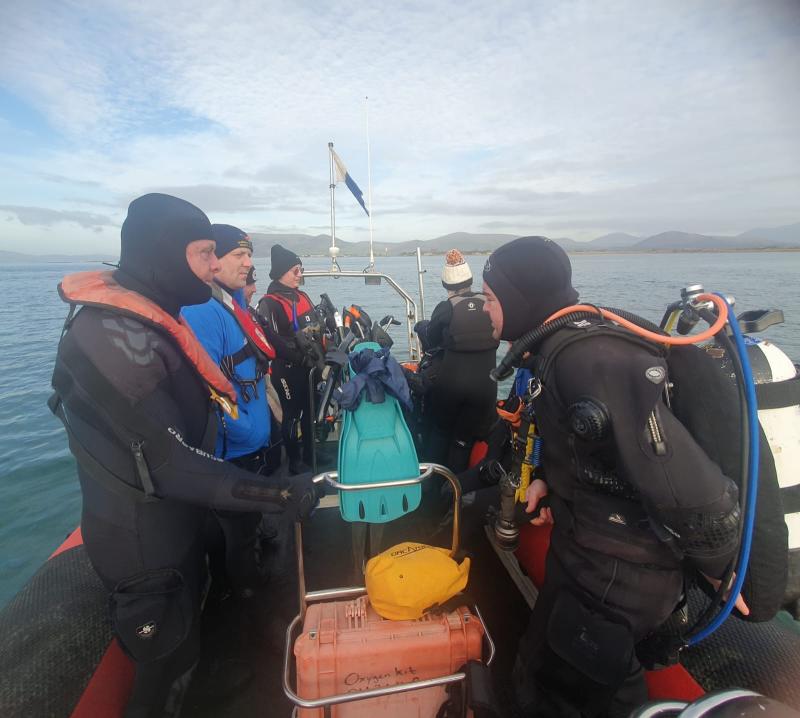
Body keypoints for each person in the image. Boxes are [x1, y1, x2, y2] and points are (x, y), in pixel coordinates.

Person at [49, 194, 318, 718]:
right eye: (203, 253)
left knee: (190, 648)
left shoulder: (152, 321)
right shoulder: (112, 338)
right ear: (162, 253)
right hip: (142, 545)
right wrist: (281, 493)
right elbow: (171, 463)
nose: (214, 265)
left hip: (174, 523)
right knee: (166, 671)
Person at [481, 236, 744, 718]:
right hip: (589, 559)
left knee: (565, 692)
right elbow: (596, 445)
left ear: (521, 299)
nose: (484, 310)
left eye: (491, 298)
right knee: (548, 677)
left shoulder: (588, 360)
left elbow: (683, 481)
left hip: (614, 578)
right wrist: (550, 481)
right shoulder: (560, 347)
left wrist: (722, 565)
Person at [181, 224, 278, 595]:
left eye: (249, 254)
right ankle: (248, 604)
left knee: (247, 529)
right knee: (238, 539)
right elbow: (206, 390)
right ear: (213, 260)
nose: (248, 263)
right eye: (239, 255)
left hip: (250, 447)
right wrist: (246, 432)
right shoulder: (202, 311)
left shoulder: (232, 305)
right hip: (233, 455)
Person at [424, 249, 498, 473]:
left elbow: (431, 340)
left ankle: (431, 482)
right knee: (463, 440)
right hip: (486, 389)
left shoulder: (445, 308)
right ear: (470, 280)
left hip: (451, 387)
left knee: (440, 431)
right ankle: (457, 488)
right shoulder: (489, 304)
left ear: (446, 283)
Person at [255, 245, 325, 474]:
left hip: (310, 368)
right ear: (281, 272)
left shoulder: (302, 296)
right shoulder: (269, 303)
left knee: (310, 411)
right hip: (287, 370)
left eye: (301, 269)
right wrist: (299, 359)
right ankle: (294, 461)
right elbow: (272, 342)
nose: (300, 274)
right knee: (292, 415)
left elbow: (316, 328)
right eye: (295, 270)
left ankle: (311, 453)